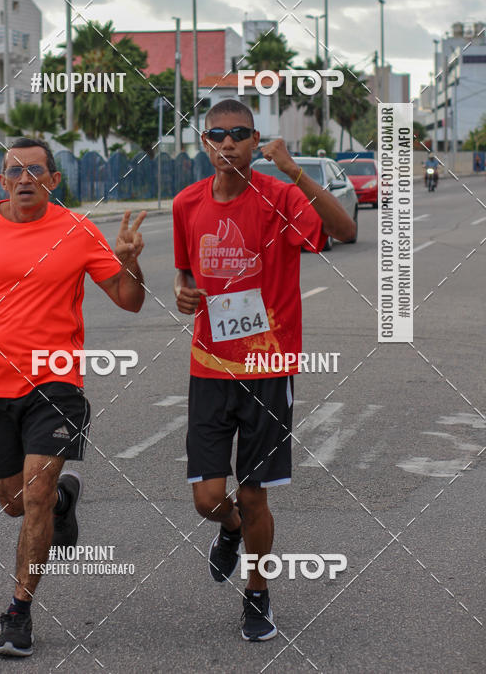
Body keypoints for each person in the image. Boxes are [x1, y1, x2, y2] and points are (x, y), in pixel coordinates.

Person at [0, 137, 146, 658]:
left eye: (36, 170)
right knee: (13, 503)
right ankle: (66, 497)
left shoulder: (77, 230)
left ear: (53, 180)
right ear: (2, 181)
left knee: (36, 497)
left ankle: (19, 613)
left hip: (57, 383)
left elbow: (130, 300)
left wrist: (131, 262)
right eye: (14, 171)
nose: (24, 178)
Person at [172, 99, 355, 642]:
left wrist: (295, 169)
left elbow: (344, 231)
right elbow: (187, 276)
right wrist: (183, 295)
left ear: (256, 143)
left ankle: (257, 593)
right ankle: (228, 531)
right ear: (204, 144)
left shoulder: (280, 197)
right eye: (216, 135)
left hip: (267, 368)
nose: (227, 144)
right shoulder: (186, 204)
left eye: (239, 135)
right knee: (209, 498)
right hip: (208, 366)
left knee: (254, 494)